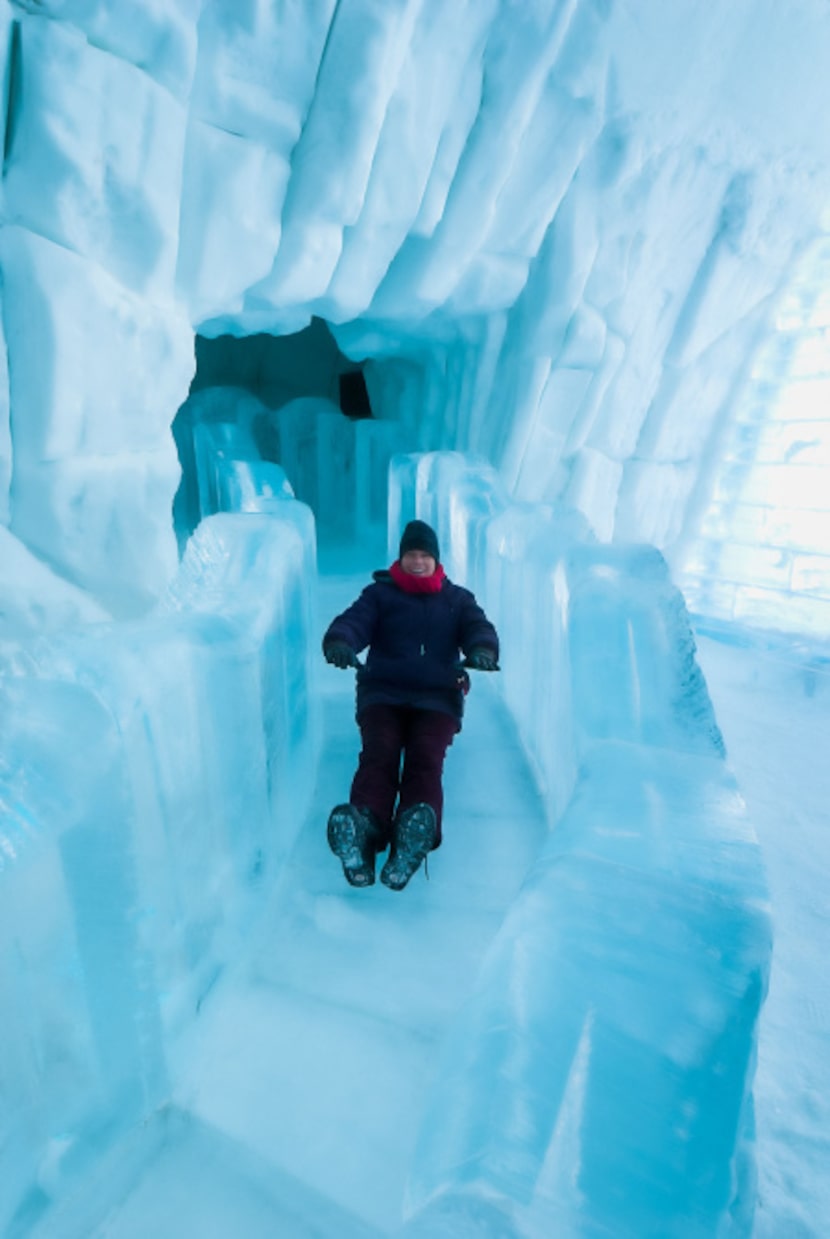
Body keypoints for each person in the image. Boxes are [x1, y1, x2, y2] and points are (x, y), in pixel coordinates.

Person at [322, 519, 500, 891]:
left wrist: (482, 649)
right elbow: (354, 622)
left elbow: (478, 627)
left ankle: (412, 837)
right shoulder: (379, 596)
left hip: (437, 699)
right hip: (383, 693)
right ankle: (365, 829)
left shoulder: (457, 599)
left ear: (436, 560)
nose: (417, 562)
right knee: (380, 753)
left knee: (425, 757)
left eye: (424, 555)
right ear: (400, 558)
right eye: (410, 555)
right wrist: (340, 641)